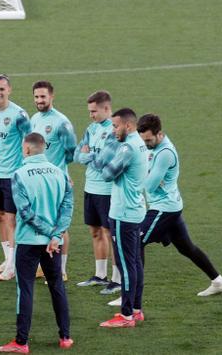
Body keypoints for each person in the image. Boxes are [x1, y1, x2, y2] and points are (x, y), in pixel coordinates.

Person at [0, 133, 73, 353]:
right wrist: (56, 236)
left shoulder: (19, 174)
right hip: (53, 244)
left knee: (25, 289)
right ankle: (65, 337)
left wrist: (49, 233)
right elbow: (67, 208)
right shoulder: (60, 173)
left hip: (29, 241)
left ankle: (21, 342)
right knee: (57, 286)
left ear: (27, 149)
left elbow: (26, 213)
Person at [136, 114, 222, 299]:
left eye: (148, 140)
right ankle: (218, 282)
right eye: (143, 140)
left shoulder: (165, 153)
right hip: (171, 206)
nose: (145, 144)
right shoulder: (151, 146)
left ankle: (131, 295)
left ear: (159, 134)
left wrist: (130, 176)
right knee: (187, 248)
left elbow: (149, 186)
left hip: (164, 208)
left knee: (136, 240)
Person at [84, 108, 148, 327]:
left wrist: (98, 156)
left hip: (123, 214)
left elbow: (107, 173)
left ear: (128, 126)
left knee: (125, 265)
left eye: (115, 126)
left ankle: (126, 315)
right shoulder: (139, 143)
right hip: (136, 210)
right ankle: (137, 309)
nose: (112, 131)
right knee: (136, 263)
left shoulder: (128, 148)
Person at [0, 74, 30, 280]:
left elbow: (28, 141)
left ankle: (13, 264)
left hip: (12, 174)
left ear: (9, 90)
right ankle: (7, 258)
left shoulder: (19, 114)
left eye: (2, 89)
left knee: (11, 218)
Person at [73, 91, 121, 293]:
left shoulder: (114, 130)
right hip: (90, 187)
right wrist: (90, 156)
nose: (91, 115)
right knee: (95, 231)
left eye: (94, 111)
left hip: (107, 190)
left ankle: (117, 279)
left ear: (106, 109)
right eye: (90, 111)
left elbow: (104, 161)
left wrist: (89, 155)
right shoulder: (91, 128)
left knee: (110, 234)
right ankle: (100, 275)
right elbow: (76, 154)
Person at [30, 81, 76, 281]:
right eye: (37, 97)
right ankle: (43, 266)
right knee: (41, 222)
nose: (40, 100)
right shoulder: (34, 119)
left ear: (52, 96)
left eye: (43, 97)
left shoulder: (61, 122)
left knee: (59, 226)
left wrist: (61, 172)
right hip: (37, 180)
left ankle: (61, 270)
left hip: (56, 182)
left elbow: (71, 151)